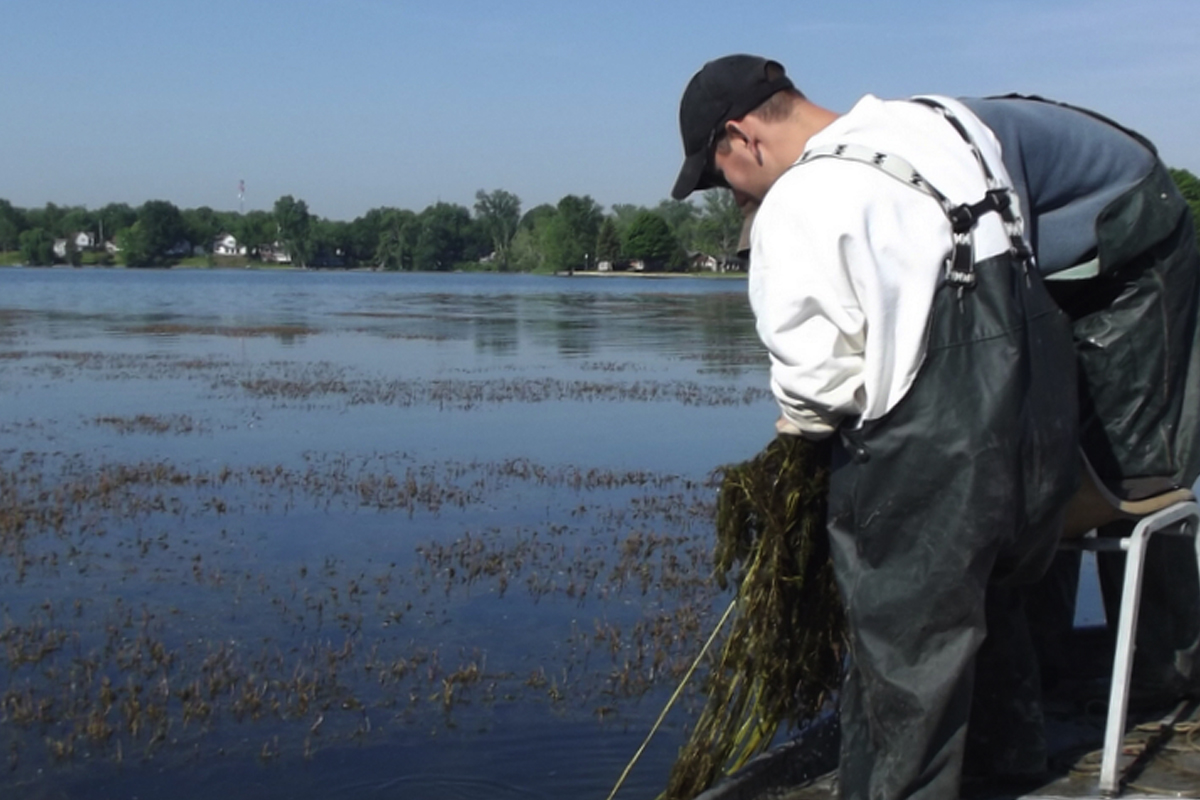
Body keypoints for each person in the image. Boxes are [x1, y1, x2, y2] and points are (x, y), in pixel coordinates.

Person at [670, 54, 1200, 800]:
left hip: (1128, 238)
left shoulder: (803, 201)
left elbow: (818, 387)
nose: (731, 196)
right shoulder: (927, 137)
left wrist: (801, 445)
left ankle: (1155, 676)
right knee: (1002, 557)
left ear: (741, 137)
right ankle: (1008, 751)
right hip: (1029, 422)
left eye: (718, 175)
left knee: (909, 614)